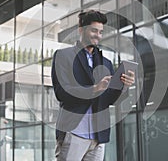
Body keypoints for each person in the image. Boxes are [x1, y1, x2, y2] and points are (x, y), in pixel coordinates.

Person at [52, 10, 135, 161]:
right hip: (73, 133)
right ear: (81, 30)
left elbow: (110, 100)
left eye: (101, 32)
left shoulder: (106, 63)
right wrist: (94, 89)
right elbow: (61, 92)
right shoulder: (63, 56)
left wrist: (123, 85)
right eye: (94, 30)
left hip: (98, 137)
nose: (98, 35)